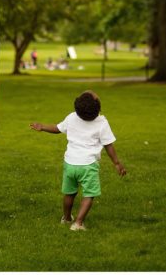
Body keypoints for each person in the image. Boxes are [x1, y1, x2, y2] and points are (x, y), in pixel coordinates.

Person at [30, 90, 127, 231]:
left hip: (70, 163)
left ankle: (67, 218)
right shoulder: (102, 122)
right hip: (88, 165)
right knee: (89, 194)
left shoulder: (72, 117)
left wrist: (43, 127)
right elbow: (108, 145)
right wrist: (117, 163)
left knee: (69, 193)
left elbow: (58, 128)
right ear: (98, 108)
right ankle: (78, 223)